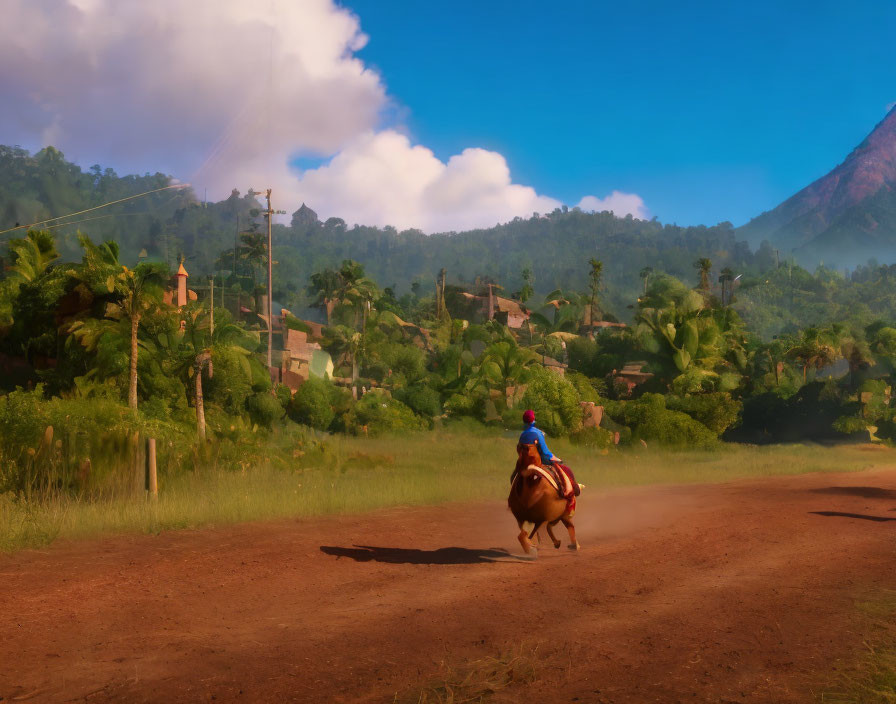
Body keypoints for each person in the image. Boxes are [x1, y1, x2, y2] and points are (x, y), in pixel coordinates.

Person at [517, 409, 581, 497]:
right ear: (533, 420)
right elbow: (544, 451)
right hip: (540, 461)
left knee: (514, 476)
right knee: (564, 469)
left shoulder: (522, 435)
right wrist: (554, 458)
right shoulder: (538, 433)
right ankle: (567, 491)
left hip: (524, 463)